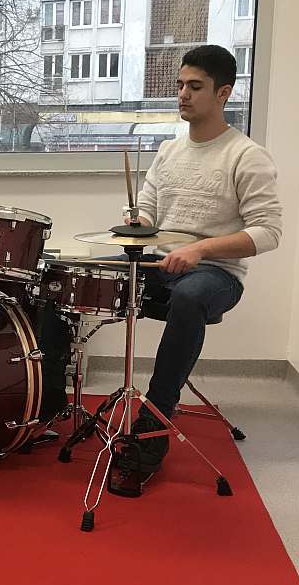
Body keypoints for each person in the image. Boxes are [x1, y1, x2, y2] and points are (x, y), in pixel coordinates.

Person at [114, 44, 282, 478]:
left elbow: (268, 232)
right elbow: (149, 212)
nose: (183, 95)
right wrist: (138, 221)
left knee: (189, 297)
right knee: (68, 273)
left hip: (217, 275)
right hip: (161, 264)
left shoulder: (246, 155)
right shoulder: (168, 151)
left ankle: (154, 421)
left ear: (223, 92)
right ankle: (48, 400)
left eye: (195, 86)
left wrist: (201, 249)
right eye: (179, 85)